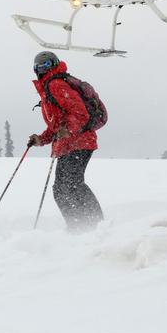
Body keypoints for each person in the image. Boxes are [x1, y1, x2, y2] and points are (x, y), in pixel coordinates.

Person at [27, 51, 104, 232]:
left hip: (79, 142)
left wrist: (68, 130)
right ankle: (81, 226)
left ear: (54, 64)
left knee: (69, 185)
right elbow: (57, 126)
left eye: (45, 64)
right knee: (63, 188)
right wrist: (41, 139)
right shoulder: (48, 89)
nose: (42, 69)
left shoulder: (56, 85)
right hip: (68, 145)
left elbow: (80, 113)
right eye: (38, 66)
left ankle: (95, 226)